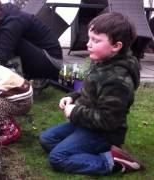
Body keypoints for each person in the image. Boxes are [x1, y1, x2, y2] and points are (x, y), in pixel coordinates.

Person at [39, 12, 144, 175]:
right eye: (89, 38)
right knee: (47, 138)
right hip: (85, 125)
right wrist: (73, 97)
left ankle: (112, 162)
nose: (88, 44)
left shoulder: (117, 80)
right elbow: (89, 88)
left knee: (57, 158)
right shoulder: (103, 62)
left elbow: (108, 120)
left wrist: (74, 111)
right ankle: (86, 152)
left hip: (103, 134)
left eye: (96, 40)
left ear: (116, 46)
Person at [0, 0, 63, 81]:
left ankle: (19, 83)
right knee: (2, 44)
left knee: (8, 46)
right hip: (40, 55)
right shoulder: (1, 18)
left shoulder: (12, 22)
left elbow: (1, 57)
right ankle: (19, 79)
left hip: (52, 62)